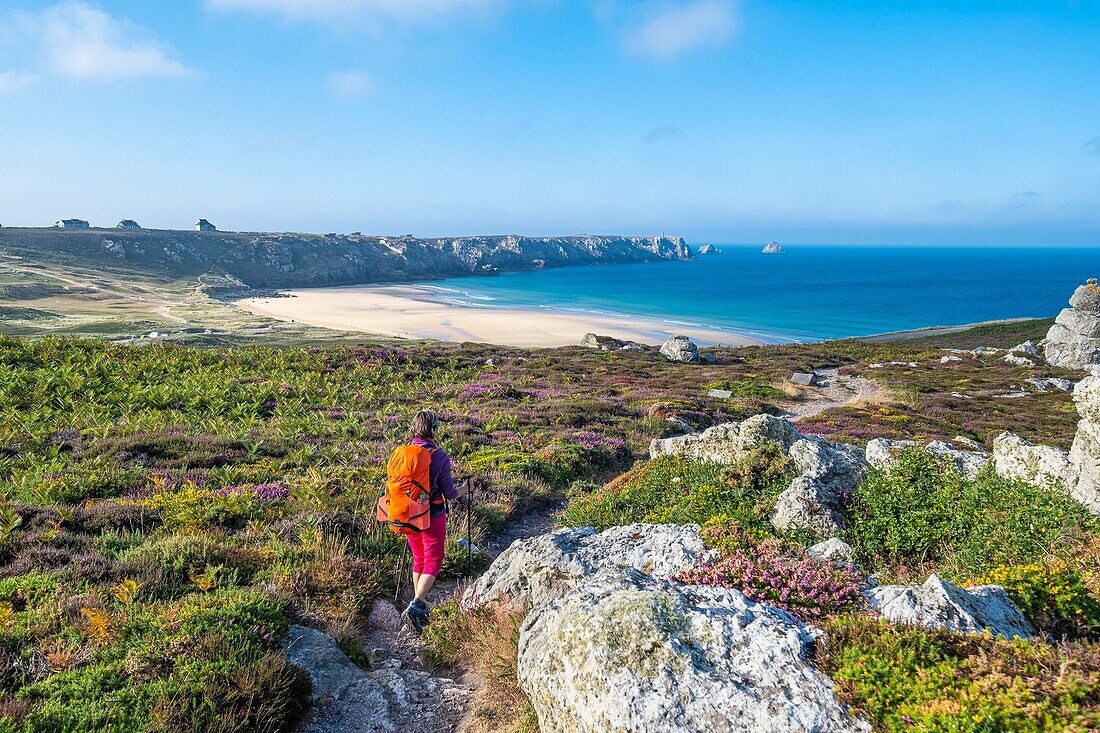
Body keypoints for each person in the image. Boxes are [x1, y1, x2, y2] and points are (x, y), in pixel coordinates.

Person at [399, 409, 466, 633]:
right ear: (434, 429)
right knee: (434, 559)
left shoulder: (403, 453)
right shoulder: (438, 455)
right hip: (432, 514)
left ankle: (416, 603)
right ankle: (416, 605)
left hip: (406, 513)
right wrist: (466, 488)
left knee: (419, 558)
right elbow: (450, 493)